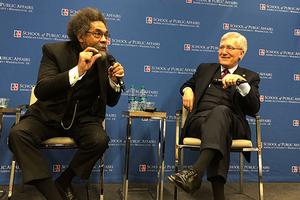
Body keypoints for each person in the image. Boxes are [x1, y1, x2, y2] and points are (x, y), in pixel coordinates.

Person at [8, 7, 124, 200]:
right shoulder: (54, 51)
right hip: (47, 116)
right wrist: (77, 71)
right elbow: (42, 90)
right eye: (98, 34)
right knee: (18, 135)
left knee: (99, 140)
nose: (104, 40)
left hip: (82, 120)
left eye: (106, 35)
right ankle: (53, 195)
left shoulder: (107, 60)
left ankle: (63, 181)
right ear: (80, 36)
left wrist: (114, 82)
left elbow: (111, 102)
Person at [168, 32, 260, 200]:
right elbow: (187, 84)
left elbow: (254, 108)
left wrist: (241, 83)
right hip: (199, 121)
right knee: (218, 133)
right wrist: (187, 90)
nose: (223, 51)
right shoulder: (205, 68)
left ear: (241, 53)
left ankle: (195, 173)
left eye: (230, 48)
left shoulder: (250, 76)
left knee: (221, 113)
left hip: (233, 122)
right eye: (221, 47)